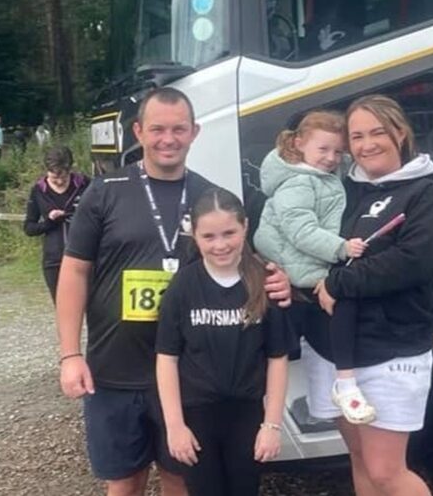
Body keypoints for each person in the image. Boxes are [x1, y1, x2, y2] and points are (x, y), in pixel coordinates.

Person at [55, 87, 291, 496]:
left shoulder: (208, 196)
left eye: (179, 129)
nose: (169, 139)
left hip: (189, 377)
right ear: (138, 132)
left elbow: (242, 265)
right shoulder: (105, 191)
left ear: (195, 132)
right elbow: (75, 270)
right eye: (158, 129)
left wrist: (279, 280)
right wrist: (70, 354)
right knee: (124, 482)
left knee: (180, 479)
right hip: (115, 370)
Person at [312, 94, 433, 496]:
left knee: (386, 471)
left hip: (392, 349)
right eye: (357, 136)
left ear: (401, 133)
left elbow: (414, 261)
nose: (367, 144)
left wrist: (338, 283)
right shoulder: (346, 192)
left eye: (377, 132)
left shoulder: (425, 193)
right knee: (360, 460)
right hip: (340, 354)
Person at [156, 187, 294, 496]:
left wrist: (271, 426)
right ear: (195, 235)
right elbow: (167, 358)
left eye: (229, 233)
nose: (220, 245)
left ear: (245, 227)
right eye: (209, 237)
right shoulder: (184, 286)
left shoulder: (264, 281)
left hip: (246, 414)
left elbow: (277, 357)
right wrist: (175, 426)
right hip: (197, 415)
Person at [253, 110, 374, 424]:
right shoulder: (300, 183)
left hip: (303, 269)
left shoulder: (317, 179)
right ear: (299, 143)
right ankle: (346, 385)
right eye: (323, 149)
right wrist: (341, 249)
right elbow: (301, 231)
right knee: (338, 312)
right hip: (303, 273)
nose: (331, 158)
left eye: (338, 152)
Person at [23, 146, 90, 302]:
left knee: (92, 306)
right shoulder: (38, 190)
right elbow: (29, 228)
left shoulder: (85, 184)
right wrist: (49, 223)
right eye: (54, 178)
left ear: (70, 171)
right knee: (63, 308)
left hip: (85, 257)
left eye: (64, 178)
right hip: (54, 260)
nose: (59, 182)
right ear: (47, 172)